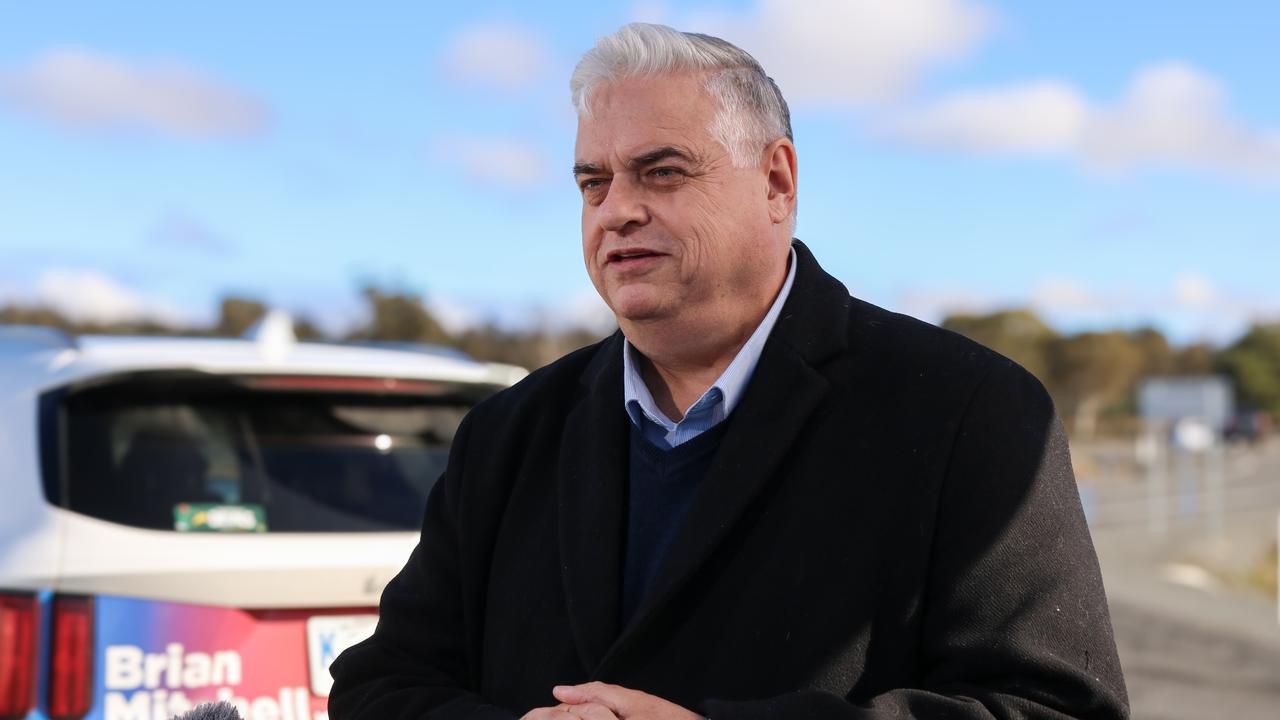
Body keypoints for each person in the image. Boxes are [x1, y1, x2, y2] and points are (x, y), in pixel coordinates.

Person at [329, 23, 1129, 720]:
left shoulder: (969, 412)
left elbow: (1051, 709)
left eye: (662, 171)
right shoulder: (508, 434)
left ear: (777, 181)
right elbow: (381, 687)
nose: (616, 210)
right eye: (593, 182)